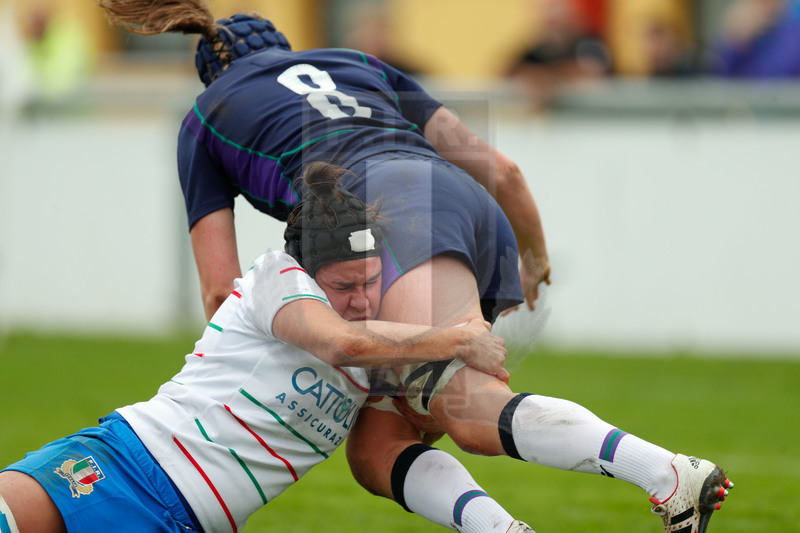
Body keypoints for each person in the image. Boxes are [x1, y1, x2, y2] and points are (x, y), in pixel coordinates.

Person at [97, 2, 734, 532]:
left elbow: (217, 291)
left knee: (469, 409)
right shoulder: (354, 62)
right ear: (287, 46)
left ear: (214, 71)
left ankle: (666, 473)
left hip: (385, 215)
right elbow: (501, 168)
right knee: (376, 451)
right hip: (462, 200)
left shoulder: (207, 117)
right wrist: (535, 257)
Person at [0, 162, 528, 533]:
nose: (362, 300)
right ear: (309, 272)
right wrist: (456, 337)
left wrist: (453, 382)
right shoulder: (276, 277)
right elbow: (339, 343)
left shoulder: (382, 344)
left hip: (194, 520)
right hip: (128, 462)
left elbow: (410, 423)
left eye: (369, 281)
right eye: (342, 287)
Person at [712, 0, 800, 78]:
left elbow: (776, 75)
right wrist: (733, 41)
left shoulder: (794, 31)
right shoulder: (740, 25)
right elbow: (721, 72)